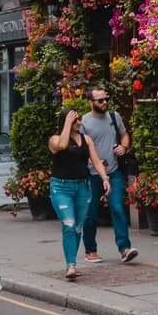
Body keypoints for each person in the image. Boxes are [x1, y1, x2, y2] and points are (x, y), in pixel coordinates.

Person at [48, 106, 110, 282]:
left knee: (77, 227)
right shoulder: (55, 139)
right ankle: (71, 265)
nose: (79, 122)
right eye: (75, 119)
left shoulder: (87, 139)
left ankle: (72, 263)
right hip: (61, 188)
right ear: (66, 121)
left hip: (83, 187)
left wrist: (105, 178)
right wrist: (67, 122)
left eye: (79, 119)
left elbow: (96, 161)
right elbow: (61, 145)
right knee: (69, 224)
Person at [78, 87, 138, 264]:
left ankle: (124, 249)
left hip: (113, 171)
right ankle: (90, 250)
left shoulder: (114, 116)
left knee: (118, 209)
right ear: (91, 102)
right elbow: (82, 147)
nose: (105, 102)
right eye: (100, 100)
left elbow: (125, 134)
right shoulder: (84, 123)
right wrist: (91, 161)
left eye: (106, 99)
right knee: (90, 214)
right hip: (92, 175)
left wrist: (123, 147)